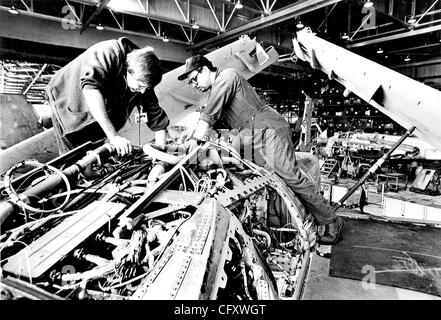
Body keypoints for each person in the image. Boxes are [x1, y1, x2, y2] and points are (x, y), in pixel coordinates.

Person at [177, 55, 344, 245]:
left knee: (291, 177)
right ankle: (293, 224)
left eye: (193, 79)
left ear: (205, 70)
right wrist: (192, 133)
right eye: (190, 83)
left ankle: (332, 220)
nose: (193, 85)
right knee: (259, 180)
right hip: (253, 137)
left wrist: (194, 141)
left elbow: (208, 117)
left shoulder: (227, 77)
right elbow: (217, 123)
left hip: (268, 130)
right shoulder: (218, 90)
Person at [46, 37, 169, 157]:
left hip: (99, 110)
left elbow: (155, 116)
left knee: (96, 155)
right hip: (65, 96)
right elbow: (91, 91)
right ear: (130, 71)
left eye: (146, 88)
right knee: (74, 158)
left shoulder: (142, 76)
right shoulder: (107, 53)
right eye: (140, 86)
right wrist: (114, 137)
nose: (142, 92)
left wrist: (161, 151)